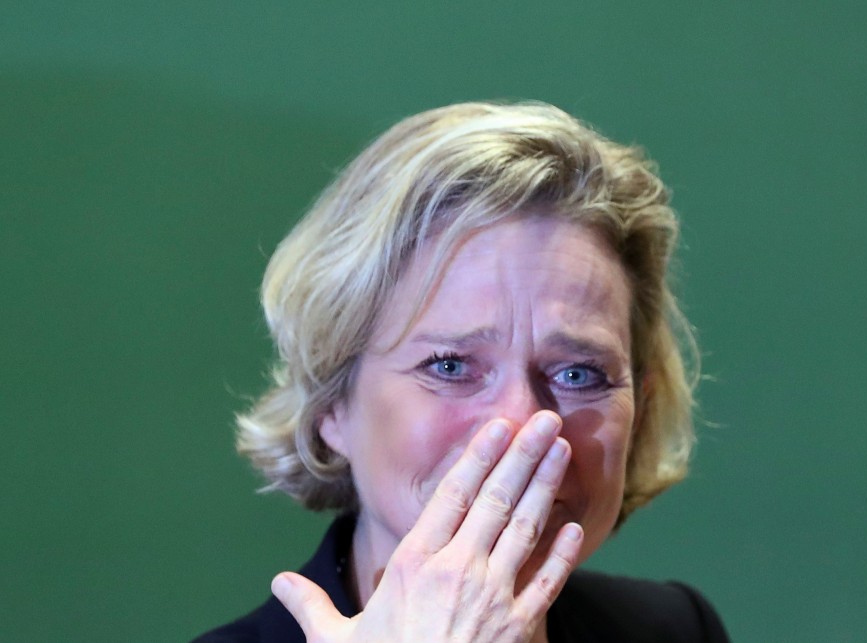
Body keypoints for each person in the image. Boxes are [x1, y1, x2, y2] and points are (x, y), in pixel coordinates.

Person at [195, 101, 728, 642]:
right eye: (450, 366)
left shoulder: (677, 631)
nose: (522, 427)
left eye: (579, 374)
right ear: (332, 403)